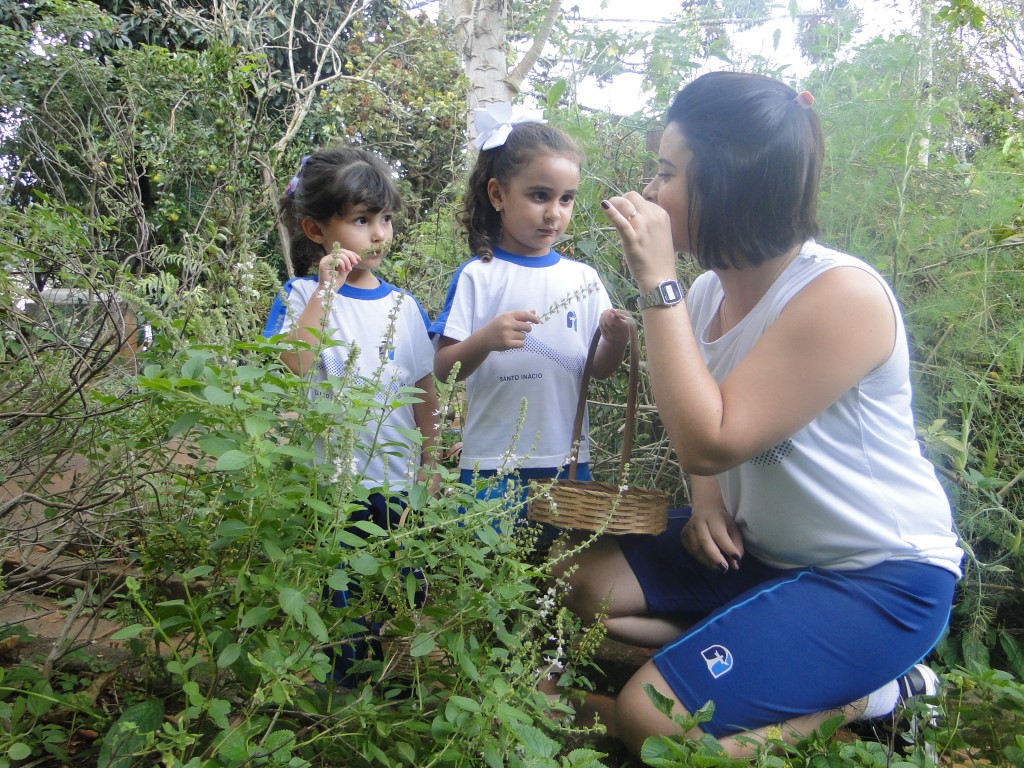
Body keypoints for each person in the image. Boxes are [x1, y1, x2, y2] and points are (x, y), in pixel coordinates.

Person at [555, 71, 963, 757]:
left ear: (727, 185)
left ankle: (877, 694)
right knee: (583, 588)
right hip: (762, 553)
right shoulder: (711, 291)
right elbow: (709, 425)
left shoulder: (842, 298)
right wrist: (707, 499)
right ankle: (760, 645)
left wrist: (658, 283)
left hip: (878, 579)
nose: (650, 193)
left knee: (654, 722)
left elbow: (711, 437)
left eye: (666, 173)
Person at [263, 146, 439, 684]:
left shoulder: (403, 307)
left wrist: (431, 460)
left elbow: (423, 388)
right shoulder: (299, 296)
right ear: (317, 231)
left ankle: (386, 688)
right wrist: (324, 290)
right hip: (330, 486)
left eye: (384, 219)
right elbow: (291, 365)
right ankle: (340, 694)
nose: (379, 233)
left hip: (397, 483)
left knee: (394, 588)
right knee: (339, 596)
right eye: (361, 221)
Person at [430, 102, 630, 533]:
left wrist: (614, 338)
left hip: (568, 461)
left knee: (564, 576)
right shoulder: (478, 276)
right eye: (539, 195)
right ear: (498, 194)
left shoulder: (583, 278)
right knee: (487, 577)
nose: (554, 212)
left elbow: (599, 369)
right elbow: (444, 370)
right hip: (491, 464)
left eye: (566, 199)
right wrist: (485, 339)